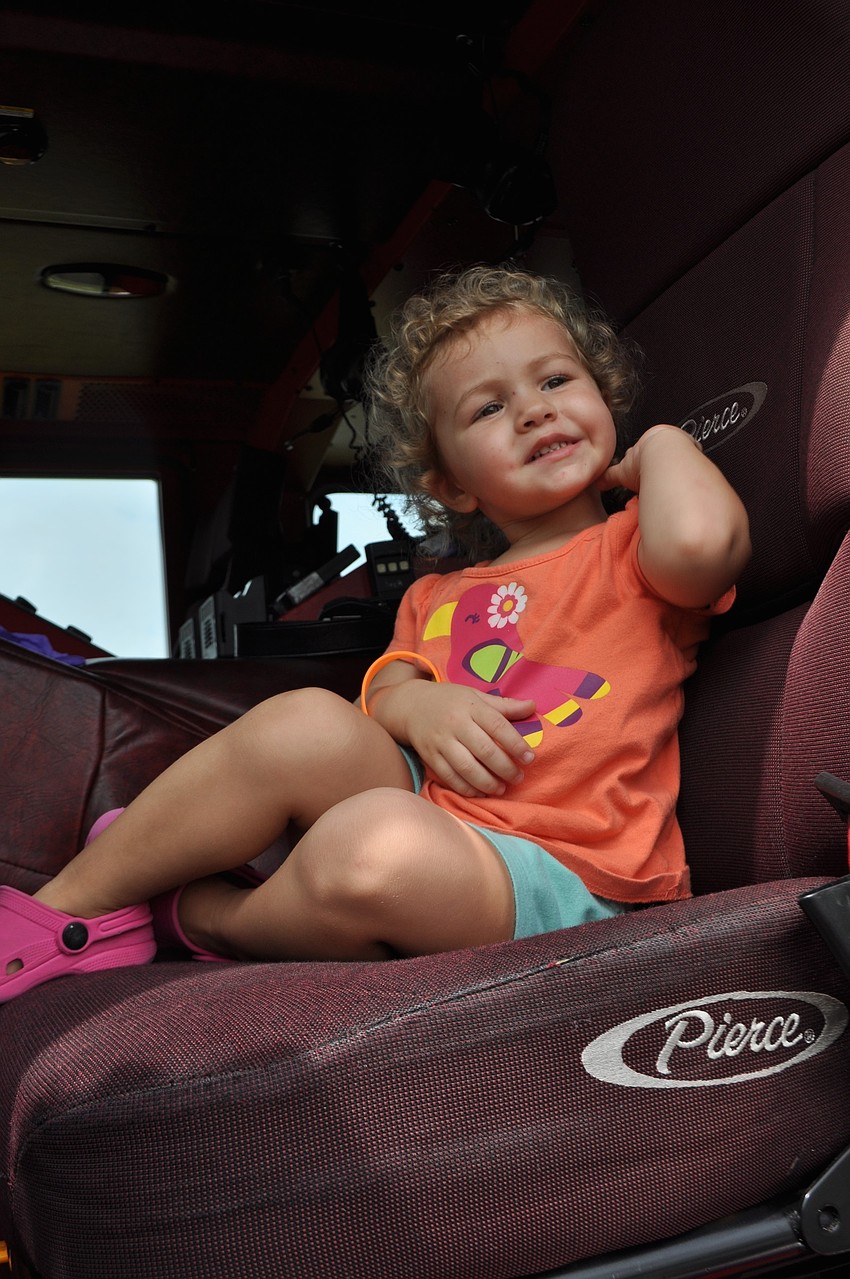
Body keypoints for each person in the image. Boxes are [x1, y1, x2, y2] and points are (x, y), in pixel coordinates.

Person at [0, 265, 751, 1002]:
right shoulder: (438, 592)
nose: (532, 410)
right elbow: (389, 683)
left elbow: (703, 547)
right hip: (444, 820)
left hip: (571, 878)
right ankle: (69, 910)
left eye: (556, 381)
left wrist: (660, 446)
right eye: (488, 408)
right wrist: (412, 707)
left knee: (370, 843)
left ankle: (213, 918)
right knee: (304, 722)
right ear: (455, 485)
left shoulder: (636, 548)